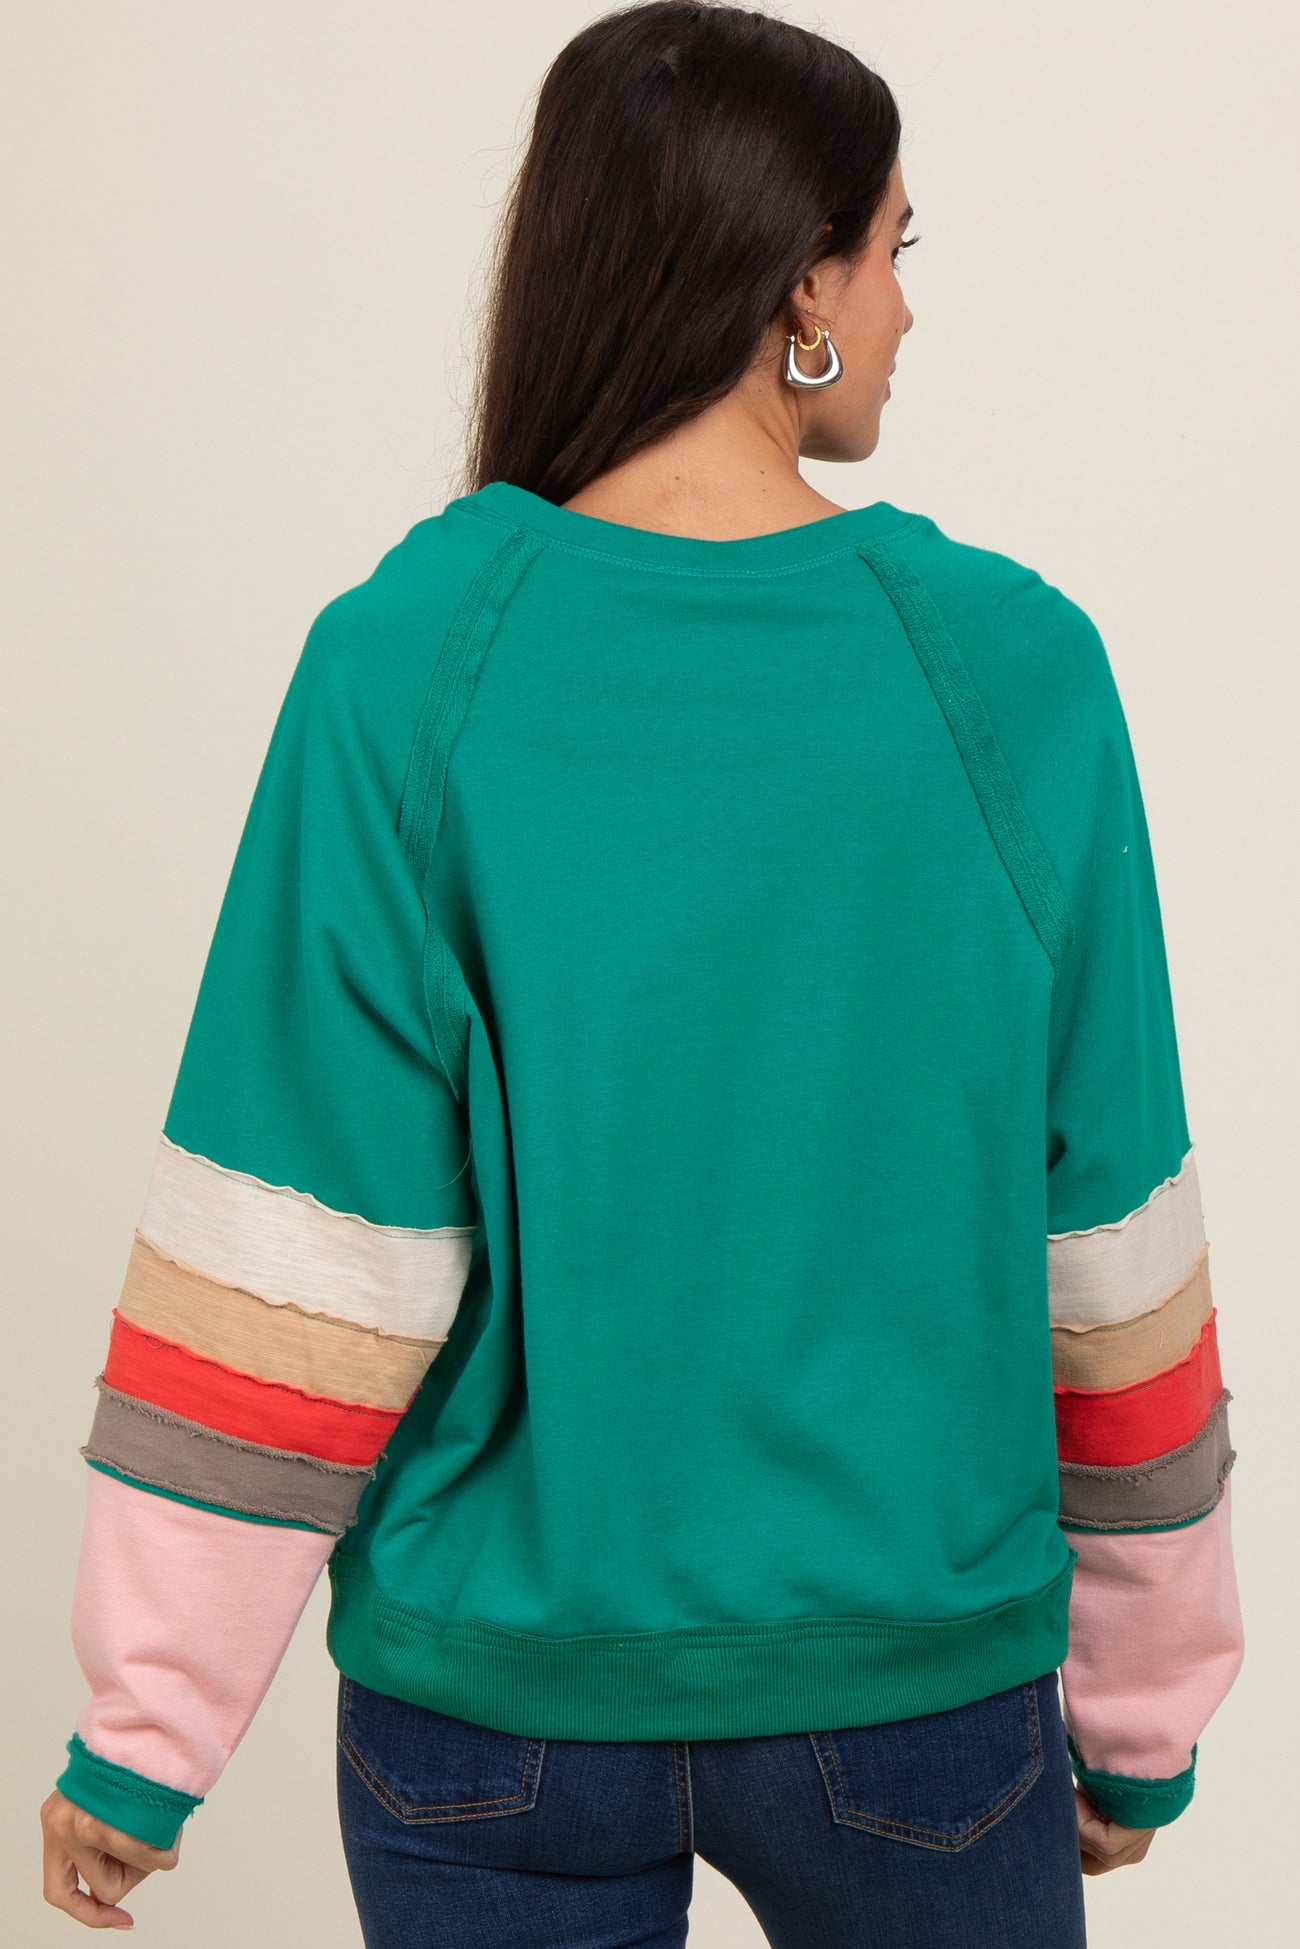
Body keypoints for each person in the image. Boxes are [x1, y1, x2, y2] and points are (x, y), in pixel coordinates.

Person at [40, 3, 1245, 1943]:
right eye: (895, 248)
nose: (908, 307)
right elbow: (1107, 1235)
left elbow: (296, 1240)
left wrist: (145, 1734)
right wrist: (1139, 1708)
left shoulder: (403, 661)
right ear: (800, 288)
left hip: (493, 1711)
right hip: (916, 1683)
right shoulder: (1014, 671)